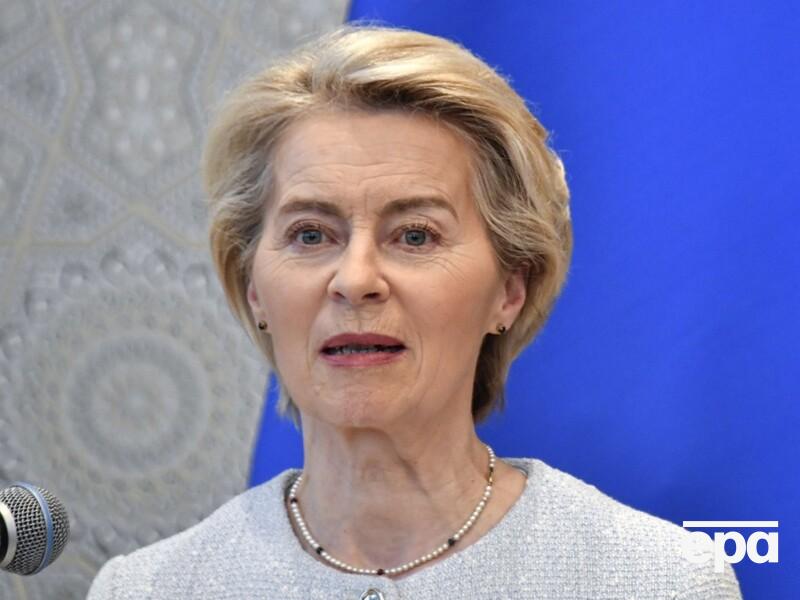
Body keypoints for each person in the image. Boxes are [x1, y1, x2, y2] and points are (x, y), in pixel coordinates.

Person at [87, 25, 742, 599]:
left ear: (509, 290)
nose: (355, 280)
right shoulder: (149, 589)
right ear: (255, 288)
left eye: (415, 235)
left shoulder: (658, 582)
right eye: (311, 234)